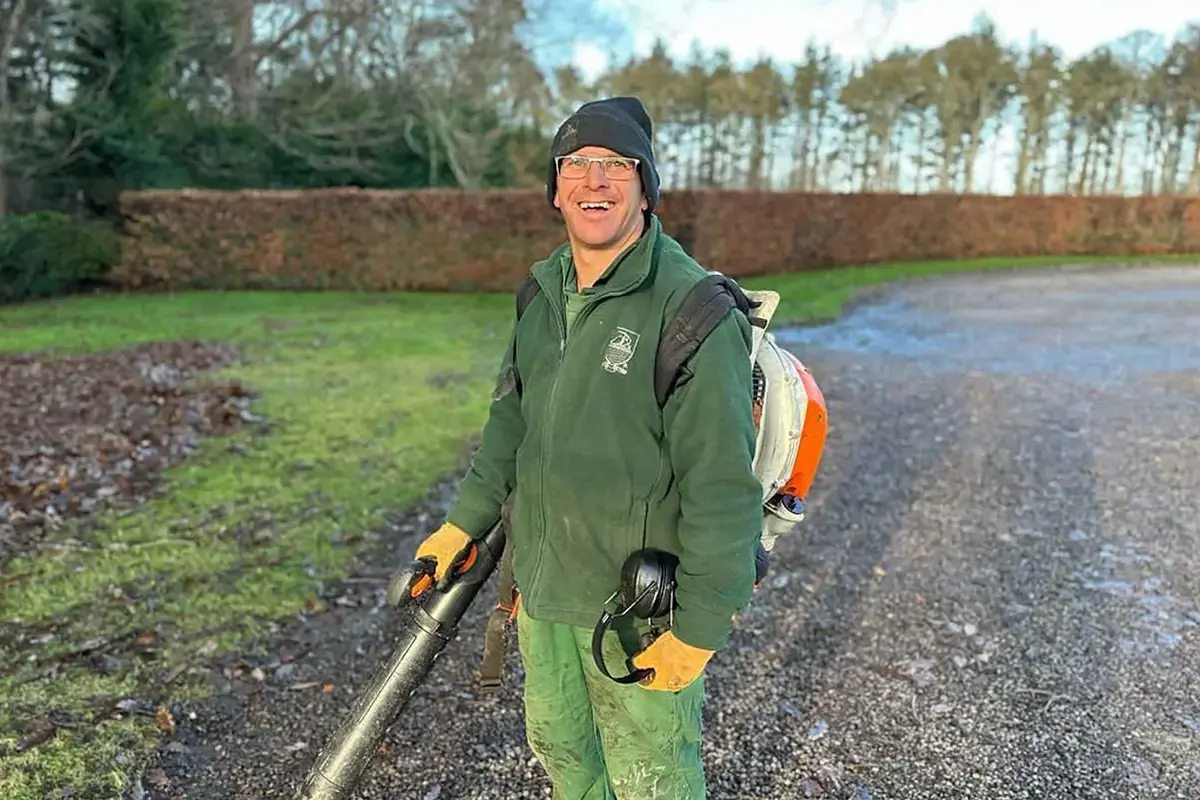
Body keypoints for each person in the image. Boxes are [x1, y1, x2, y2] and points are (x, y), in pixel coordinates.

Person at [409, 96, 763, 799]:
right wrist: (463, 522)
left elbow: (722, 485)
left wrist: (700, 624)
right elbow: (510, 424)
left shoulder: (692, 310)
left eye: (615, 164)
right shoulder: (541, 296)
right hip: (542, 594)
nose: (593, 180)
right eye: (576, 164)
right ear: (555, 188)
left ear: (644, 186)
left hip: (632, 608)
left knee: (650, 776)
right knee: (564, 754)